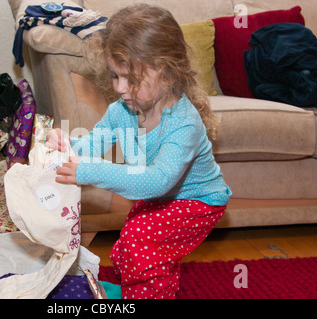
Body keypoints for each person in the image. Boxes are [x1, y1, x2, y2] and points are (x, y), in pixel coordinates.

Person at [45, 4, 232, 299]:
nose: (119, 88)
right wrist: (65, 145)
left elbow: (157, 179)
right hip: (163, 196)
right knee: (126, 250)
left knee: (140, 241)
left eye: (130, 79)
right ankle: (148, 286)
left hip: (198, 201)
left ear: (168, 73)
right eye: (114, 76)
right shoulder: (122, 110)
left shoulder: (184, 124)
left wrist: (88, 170)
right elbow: (91, 145)